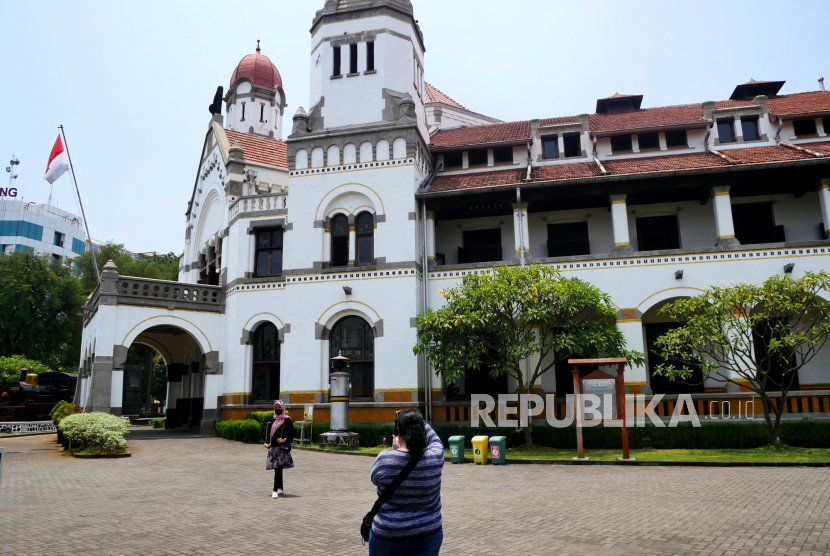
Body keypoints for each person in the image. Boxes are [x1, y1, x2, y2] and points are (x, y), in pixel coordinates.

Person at [368, 409, 444, 555]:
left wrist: (395, 450)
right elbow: (435, 439)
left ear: (398, 431)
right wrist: (420, 420)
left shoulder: (384, 459)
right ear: (421, 431)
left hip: (388, 534)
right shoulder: (435, 457)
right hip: (427, 532)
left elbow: (375, 479)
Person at [264, 400, 294, 499]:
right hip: (273, 448)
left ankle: (274, 490)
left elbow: (293, 432)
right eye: (276, 408)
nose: (277, 410)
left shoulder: (287, 419)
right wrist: (267, 442)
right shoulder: (274, 419)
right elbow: (270, 433)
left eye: (279, 407)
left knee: (277, 469)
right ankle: (280, 488)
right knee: (278, 469)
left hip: (281, 449)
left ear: (282, 408)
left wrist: (284, 439)